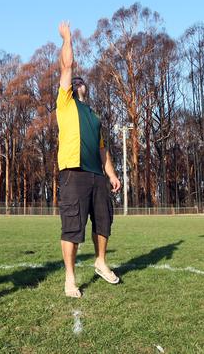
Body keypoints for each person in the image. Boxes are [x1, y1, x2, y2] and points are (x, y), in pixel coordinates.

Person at [56, 21, 122, 298]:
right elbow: (67, 66)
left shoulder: (94, 116)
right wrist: (67, 39)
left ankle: (100, 262)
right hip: (74, 172)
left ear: (86, 88)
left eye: (81, 81)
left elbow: (102, 150)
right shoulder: (65, 103)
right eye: (75, 81)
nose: (78, 82)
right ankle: (70, 279)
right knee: (73, 226)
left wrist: (112, 174)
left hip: (97, 175)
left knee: (104, 221)